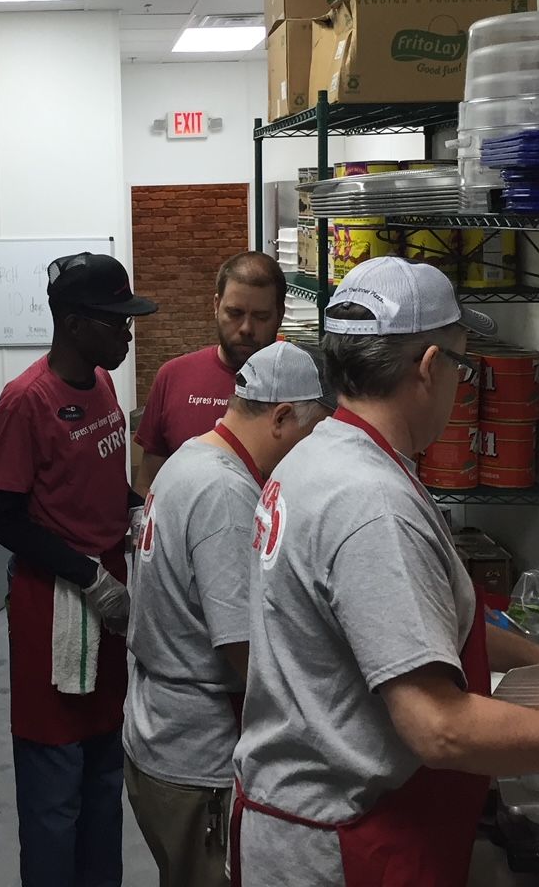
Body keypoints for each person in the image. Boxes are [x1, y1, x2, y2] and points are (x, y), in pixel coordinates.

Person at [230, 257, 539, 886]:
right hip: (342, 840)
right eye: (460, 364)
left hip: (312, 812)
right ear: (428, 367)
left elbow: (432, 616)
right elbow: (439, 728)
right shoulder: (371, 503)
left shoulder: (324, 456)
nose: (461, 383)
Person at [124, 340, 331, 887]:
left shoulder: (192, 456)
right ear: (283, 417)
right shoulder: (225, 493)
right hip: (199, 758)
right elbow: (243, 650)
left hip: (159, 732)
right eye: (311, 437)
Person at [0, 251, 157, 887]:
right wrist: (87, 578)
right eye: (117, 321)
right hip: (56, 603)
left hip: (111, 593)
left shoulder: (104, 383)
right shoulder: (28, 401)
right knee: (56, 779)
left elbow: (103, 480)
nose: (128, 332)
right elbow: (2, 517)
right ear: (77, 322)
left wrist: (139, 512)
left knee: (105, 766)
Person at [134, 251, 286, 496]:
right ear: (216, 306)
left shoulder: (303, 390)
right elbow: (148, 484)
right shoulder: (173, 377)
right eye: (235, 313)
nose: (246, 328)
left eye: (261, 316)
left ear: (280, 315)